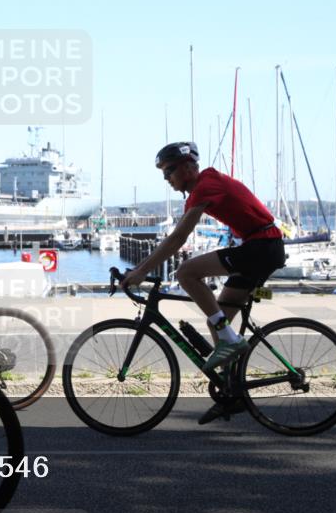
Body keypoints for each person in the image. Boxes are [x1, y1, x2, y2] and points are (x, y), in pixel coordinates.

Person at [121, 142, 285, 424]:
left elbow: (177, 239)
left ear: (187, 167)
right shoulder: (202, 188)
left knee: (186, 273)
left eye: (169, 170)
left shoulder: (206, 185)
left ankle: (230, 343)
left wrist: (138, 271)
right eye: (162, 173)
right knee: (216, 320)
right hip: (259, 247)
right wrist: (138, 268)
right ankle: (231, 393)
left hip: (262, 246)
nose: (166, 178)